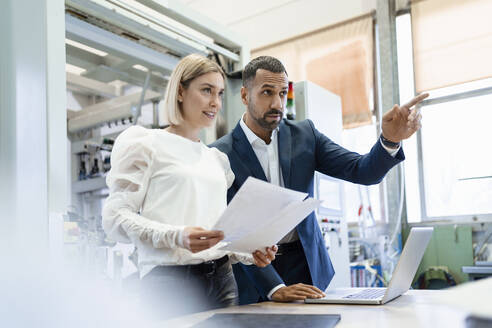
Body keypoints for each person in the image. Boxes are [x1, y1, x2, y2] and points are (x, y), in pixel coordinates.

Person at [211, 56, 428, 305]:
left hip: (306, 265)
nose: (276, 103)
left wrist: (389, 140)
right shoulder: (219, 154)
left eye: (282, 93)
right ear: (245, 96)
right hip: (253, 275)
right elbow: (228, 233)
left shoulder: (306, 135)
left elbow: (362, 171)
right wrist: (275, 287)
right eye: (267, 92)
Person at [102, 54, 277, 318]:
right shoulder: (145, 143)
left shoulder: (216, 159)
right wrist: (178, 236)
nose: (215, 103)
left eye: (219, 93)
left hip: (223, 280)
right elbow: (114, 219)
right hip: (169, 284)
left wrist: (249, 251)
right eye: (206, 90)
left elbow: (217, 234)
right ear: (180, 91)